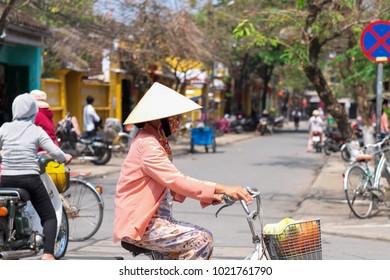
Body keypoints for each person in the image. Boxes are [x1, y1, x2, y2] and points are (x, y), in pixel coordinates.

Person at [113, 82, 252, 260]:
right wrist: (224, 188)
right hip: (144, 223)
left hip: (157, 221)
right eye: (175, 116)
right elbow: (176, 180)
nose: (178, 120)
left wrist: (211, 196)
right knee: (202, 239)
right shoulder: (147, 143)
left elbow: (168, 184)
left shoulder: (155, 140)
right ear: (160, 117)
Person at [0, 93, 72, 260]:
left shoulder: (4, 128)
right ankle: (48, 253)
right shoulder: (36, 130)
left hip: (7, 180)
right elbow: (54, 151)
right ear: (33, 111)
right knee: (48, 216)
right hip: (29, 179)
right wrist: (65, 158)